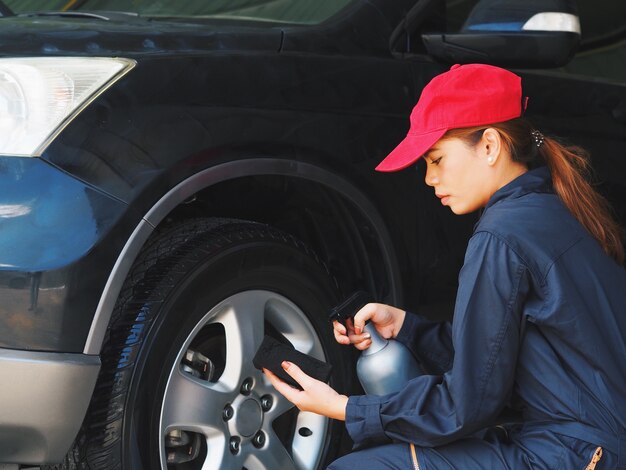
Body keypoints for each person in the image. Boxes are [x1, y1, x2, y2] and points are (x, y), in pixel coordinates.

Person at [264, 63, 626, 469]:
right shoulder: (552, 206)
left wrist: (345, 408)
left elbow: (466, 405)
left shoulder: (501, 234)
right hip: (592, 442)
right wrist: (407, 327)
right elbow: (496, 355)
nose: (429, 178)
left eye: (436, 159)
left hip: (578, 454)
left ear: (489, 145)